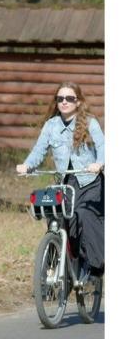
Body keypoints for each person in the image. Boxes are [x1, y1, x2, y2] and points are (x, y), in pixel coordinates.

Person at [16, 81, 105, 278]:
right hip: (65, 183)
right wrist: (27, 165)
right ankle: (57, 267)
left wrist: (99, 163)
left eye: (70, 98)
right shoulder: (51, 125)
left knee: (84, 216)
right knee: (58, 218)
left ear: (78, 102)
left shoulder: (90, 122)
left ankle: (91, 266)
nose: (64, 102)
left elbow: (103, 147)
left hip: (90, 183)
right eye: (60, 98)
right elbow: (39, 151)